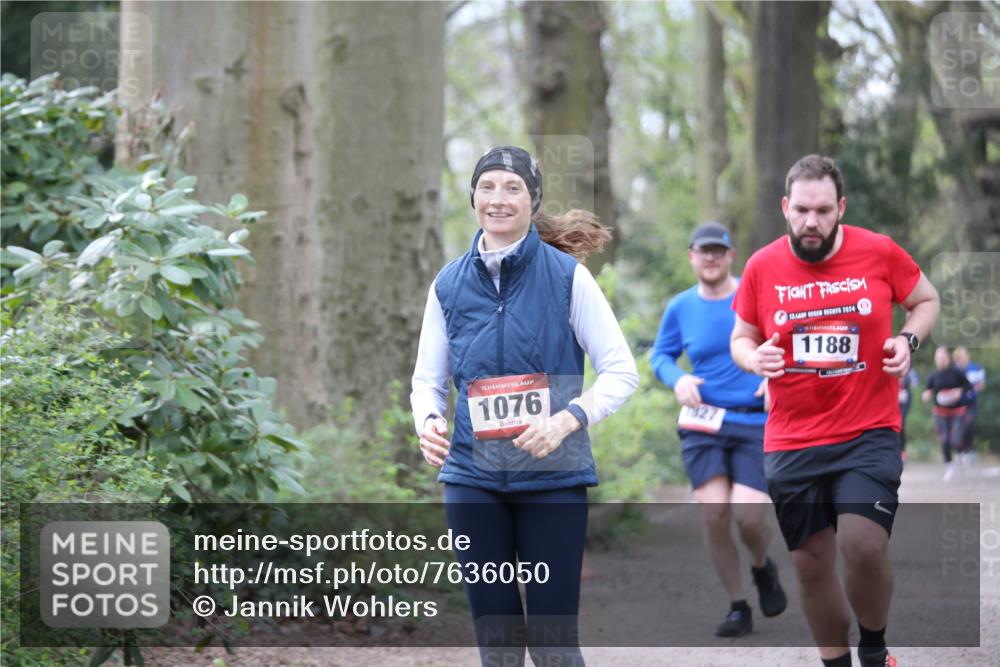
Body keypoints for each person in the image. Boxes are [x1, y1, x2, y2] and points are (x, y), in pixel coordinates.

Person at [410, 146, 639, 667]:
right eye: (487, 187)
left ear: (532, 201)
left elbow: (622, 371)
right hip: (471, 479)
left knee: (554, 647)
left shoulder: (567, 277)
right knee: (499, 649)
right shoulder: (447, 285)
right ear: (473, 198)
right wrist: (428, 421)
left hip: (552, 479)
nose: (498, 199)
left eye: (512, 188)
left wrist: (567, 419)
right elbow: (427, 380)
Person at [729, 154, 940, 667]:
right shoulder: (762, 266)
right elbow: (741, 337)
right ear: (785, 207)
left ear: (840, 207)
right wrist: (755, 358)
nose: (811, 221)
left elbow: (926, 299)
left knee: (863, 546)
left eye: (823, 210)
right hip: (792, 439)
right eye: (801, 209)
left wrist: (907, 340)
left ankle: (874, 649)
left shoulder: (879, 251)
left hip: (867, 430)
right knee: (809, 564)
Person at [650, 221, 787, 638]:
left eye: (718, 250)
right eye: (702, 250)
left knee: (748, 517)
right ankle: (737, 605)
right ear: (691, 256)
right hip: (703, 421)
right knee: (714, 514)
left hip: (754, 420)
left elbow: (789, 338)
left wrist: (773, 378)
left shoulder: (755, 292)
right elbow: (660, 354)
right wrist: (678, 379)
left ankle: (763, 567)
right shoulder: (680, 307)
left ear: (730, 256)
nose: (710, 257)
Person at [922, 346, 973, 481]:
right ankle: (949, 467)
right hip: (940, 412)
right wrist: (926, 395)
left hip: (957, 411)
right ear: (935, 359)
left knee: (955, 440)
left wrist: (959, 391)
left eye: (943, 357)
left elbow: (969, 386)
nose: (941, 360)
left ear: (948, 358)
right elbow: (927, 391)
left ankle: (961, 452)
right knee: (944, 440)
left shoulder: (957, 373)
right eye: (938, 358)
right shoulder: (933, 375)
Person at [952, 346, 985, 466]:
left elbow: (981, 385)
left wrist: (968, 388)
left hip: (971, 403)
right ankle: (960, 452)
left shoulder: (976, 368)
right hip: (957, 405)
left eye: (965, 355)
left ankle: (969, 451)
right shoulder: (954, 370)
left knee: (968, 426)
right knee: (957, 429)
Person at [897, 368, 919, 459]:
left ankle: (902, 452)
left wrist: (911, 381)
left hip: (905, 399)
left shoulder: (909, 370)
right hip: (893, 398)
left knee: (901, 423)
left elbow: (915, 383)